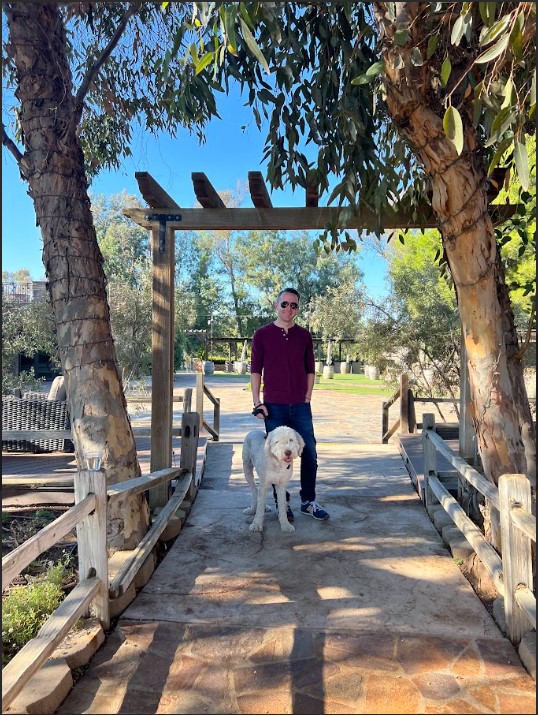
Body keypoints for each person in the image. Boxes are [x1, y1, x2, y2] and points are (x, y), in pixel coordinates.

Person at [250, 287, 330, 521]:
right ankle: (282, 506)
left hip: (300, 406)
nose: (288, 309)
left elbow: (310, 370)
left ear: (298, 309)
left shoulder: (304, 336)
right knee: (274, 456)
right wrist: (257, 403)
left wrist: (307, 397)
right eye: (284, 304)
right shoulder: (262, 335)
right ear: (276, 306)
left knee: (310, 452)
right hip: (274, 407)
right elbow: (256, 370)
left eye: (293, 305)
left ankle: (308, 501)